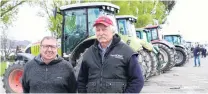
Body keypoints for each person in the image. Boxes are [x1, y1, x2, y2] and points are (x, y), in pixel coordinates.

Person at [77, 15, 144, 93]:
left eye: (104, 29)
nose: (101, 33)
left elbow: (138, 80)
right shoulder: (88, 54)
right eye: (98, 30)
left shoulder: (127, 52)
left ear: (113, 31)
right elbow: (81, 81)